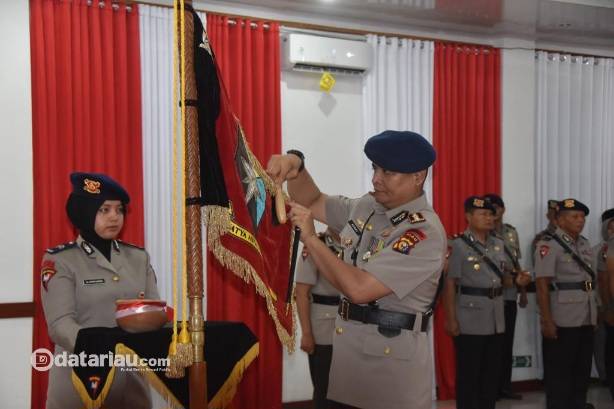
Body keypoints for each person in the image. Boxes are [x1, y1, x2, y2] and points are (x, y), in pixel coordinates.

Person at [267, 130, 446, 409]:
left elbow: (360, 289)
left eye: (388, 172)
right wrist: (296, 164)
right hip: (348, 367)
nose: (376, 178)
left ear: (418, 176)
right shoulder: (368, 207)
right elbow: (312, 201)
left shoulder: (422, 231)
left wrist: (312, 240)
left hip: (391, 376)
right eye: (375, 168)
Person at [41, 172, 159, 409]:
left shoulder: (138, 258)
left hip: (132, 386)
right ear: (85, 212)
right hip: (81, 383)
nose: (114, 217)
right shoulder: (61, 260)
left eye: (119, 210)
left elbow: (152, 313)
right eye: (104, 210)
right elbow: (60, 325)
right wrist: (103, 345)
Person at [444, 196, 529, 409]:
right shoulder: (458, 245)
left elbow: (504, 279)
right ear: (468, 216)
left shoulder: (499, 245)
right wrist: (451, 319)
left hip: (496, 318)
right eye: (483, 214)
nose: (489, 218)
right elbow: (449, 284)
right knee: (469, 374)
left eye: (491, 214)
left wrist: (517, 281)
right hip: (469, 318)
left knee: (491, 375)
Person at [534, 198, 597, 409]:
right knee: (559, 372)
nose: (580, 221)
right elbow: (542, 285)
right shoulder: (548, 245)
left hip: (586, 315)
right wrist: (546, 320)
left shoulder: (585, 244)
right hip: (562, 318)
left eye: (582, 217)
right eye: (574, 216)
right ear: (560, 220)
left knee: (582, 370)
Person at [483, 193, 526, 400]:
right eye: (489, 207)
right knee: (492, 344)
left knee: (507, 343)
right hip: (491, 296)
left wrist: (523, 292)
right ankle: (490, 389)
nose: (494, 211)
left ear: (502, 209)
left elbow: (517, 264)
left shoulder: (511, 232)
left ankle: (505, 386)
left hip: (509, 294)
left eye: (497, 206)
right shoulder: (483, 233)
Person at [295, 228, 343, 409]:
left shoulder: (357, 244)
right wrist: (307, 334)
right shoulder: (315, 246)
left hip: (354, 327)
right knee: (325, 389)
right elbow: (301, 294)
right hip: (324, 329)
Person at [596, 208, 614, 399]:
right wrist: (606, 308)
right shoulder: (602, 250)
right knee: (607, 347)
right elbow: (601, 281)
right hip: (606, 305)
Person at [531, 199, 559, 265]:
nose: (557, 218)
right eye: (554, 215)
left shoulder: (570, 237)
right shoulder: (541, 239)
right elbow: (540, 265)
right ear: (548, 216)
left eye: (558, 215)